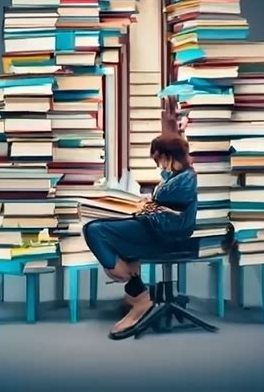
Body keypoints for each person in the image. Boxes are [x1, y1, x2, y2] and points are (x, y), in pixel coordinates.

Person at [82, 134, 198, 339]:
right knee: (100, 229)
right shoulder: (175, 176)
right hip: (156, 228)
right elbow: (161, 200)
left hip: (165, 234)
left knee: (95, 230)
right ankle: (135, 290)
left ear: (167, 155)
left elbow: (163, 199)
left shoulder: (187, 177)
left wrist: (147, 203)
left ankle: (136, 291)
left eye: (157, 158)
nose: (157, 165)